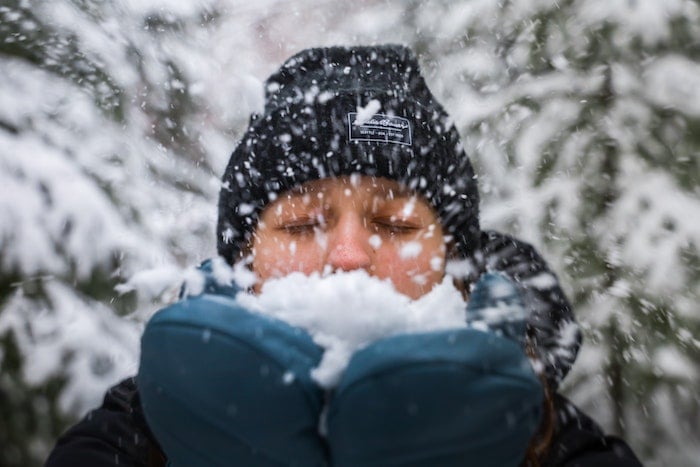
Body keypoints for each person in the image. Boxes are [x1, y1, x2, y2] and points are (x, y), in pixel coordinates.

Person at [45, 45, 641, 466]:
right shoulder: (142, 424)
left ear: (458, 268)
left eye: (393, 223)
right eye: (302, 223)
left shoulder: (542, 435)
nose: (351, 256)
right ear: (243, 265)